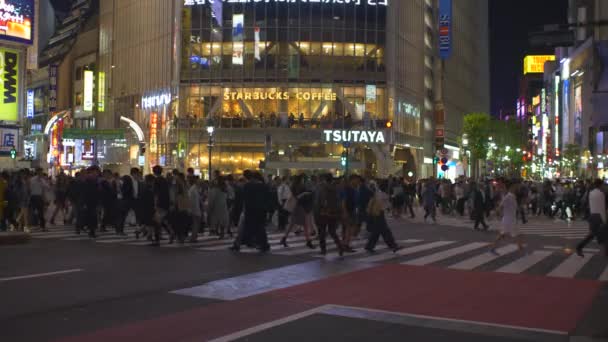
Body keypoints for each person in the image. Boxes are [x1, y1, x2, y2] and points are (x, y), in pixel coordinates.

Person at [231, 171, 270, 253]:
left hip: (249, 210)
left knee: (242, 228)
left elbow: (245, 199)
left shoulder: (248, 186)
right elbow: (267, 199)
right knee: (260, 228)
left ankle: (238, 244)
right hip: (261, 211)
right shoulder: (264, 186)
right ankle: (263, 244)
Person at [365, 181, 400, 253]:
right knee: (385, 231)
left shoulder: (378, 193)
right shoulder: (382, 194)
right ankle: (393, 245)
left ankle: (369, 246)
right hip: (379, 214)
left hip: (376, 213)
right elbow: (387, 205)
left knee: (377, 232)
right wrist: (394, 212)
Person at [489, 183, 525, 254]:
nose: (516, 188)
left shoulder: (512, 196)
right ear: (511, 188)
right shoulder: (508, 196)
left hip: (511, 219)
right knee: (507, 234)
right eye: (515, 187)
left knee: (510, 234)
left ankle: (520, 247)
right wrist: (494, 214)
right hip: (508, 220)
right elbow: (501, 206)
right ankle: (492, 248)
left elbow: (514, 207)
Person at [576, 179, 607, 257]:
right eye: (603, 185)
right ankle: (606, 253)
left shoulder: (591, 193)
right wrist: (604, 219)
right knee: (604, 235)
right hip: (600, 217)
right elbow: (602, 207)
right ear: (600, 185)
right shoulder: (602, 194)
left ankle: (579, 247)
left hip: (592, 216)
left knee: (593, 235)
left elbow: (588, 204)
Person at [314, 174, 343, 256]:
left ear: (324, 179)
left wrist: (318, 211)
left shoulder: (322, 188)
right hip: (333, 212)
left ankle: (323, 250)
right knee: (332, 231)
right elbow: (338, 201)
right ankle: (340, 246)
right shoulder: (335, 188)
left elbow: (319, 201)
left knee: (322, 232)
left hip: (323, 212)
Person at [151, 165, 173, 246]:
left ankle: (157, 240)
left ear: (154, 172)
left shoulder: (156, 180)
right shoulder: (164, 180)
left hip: (160, 203)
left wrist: (155, 204)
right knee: (160, 220)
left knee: (156, 221)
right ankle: (170, 232)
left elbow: (156, 194)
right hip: (166, 203)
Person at [187, 176, 202, 242]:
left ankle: (194, 236)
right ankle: (193, 237)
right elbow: (190, 200)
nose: (199, 181)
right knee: (195, 224)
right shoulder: (192, 189)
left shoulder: (195, 189)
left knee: (196, 224)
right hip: (194, 209)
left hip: (196, 208)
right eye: (198, 180)